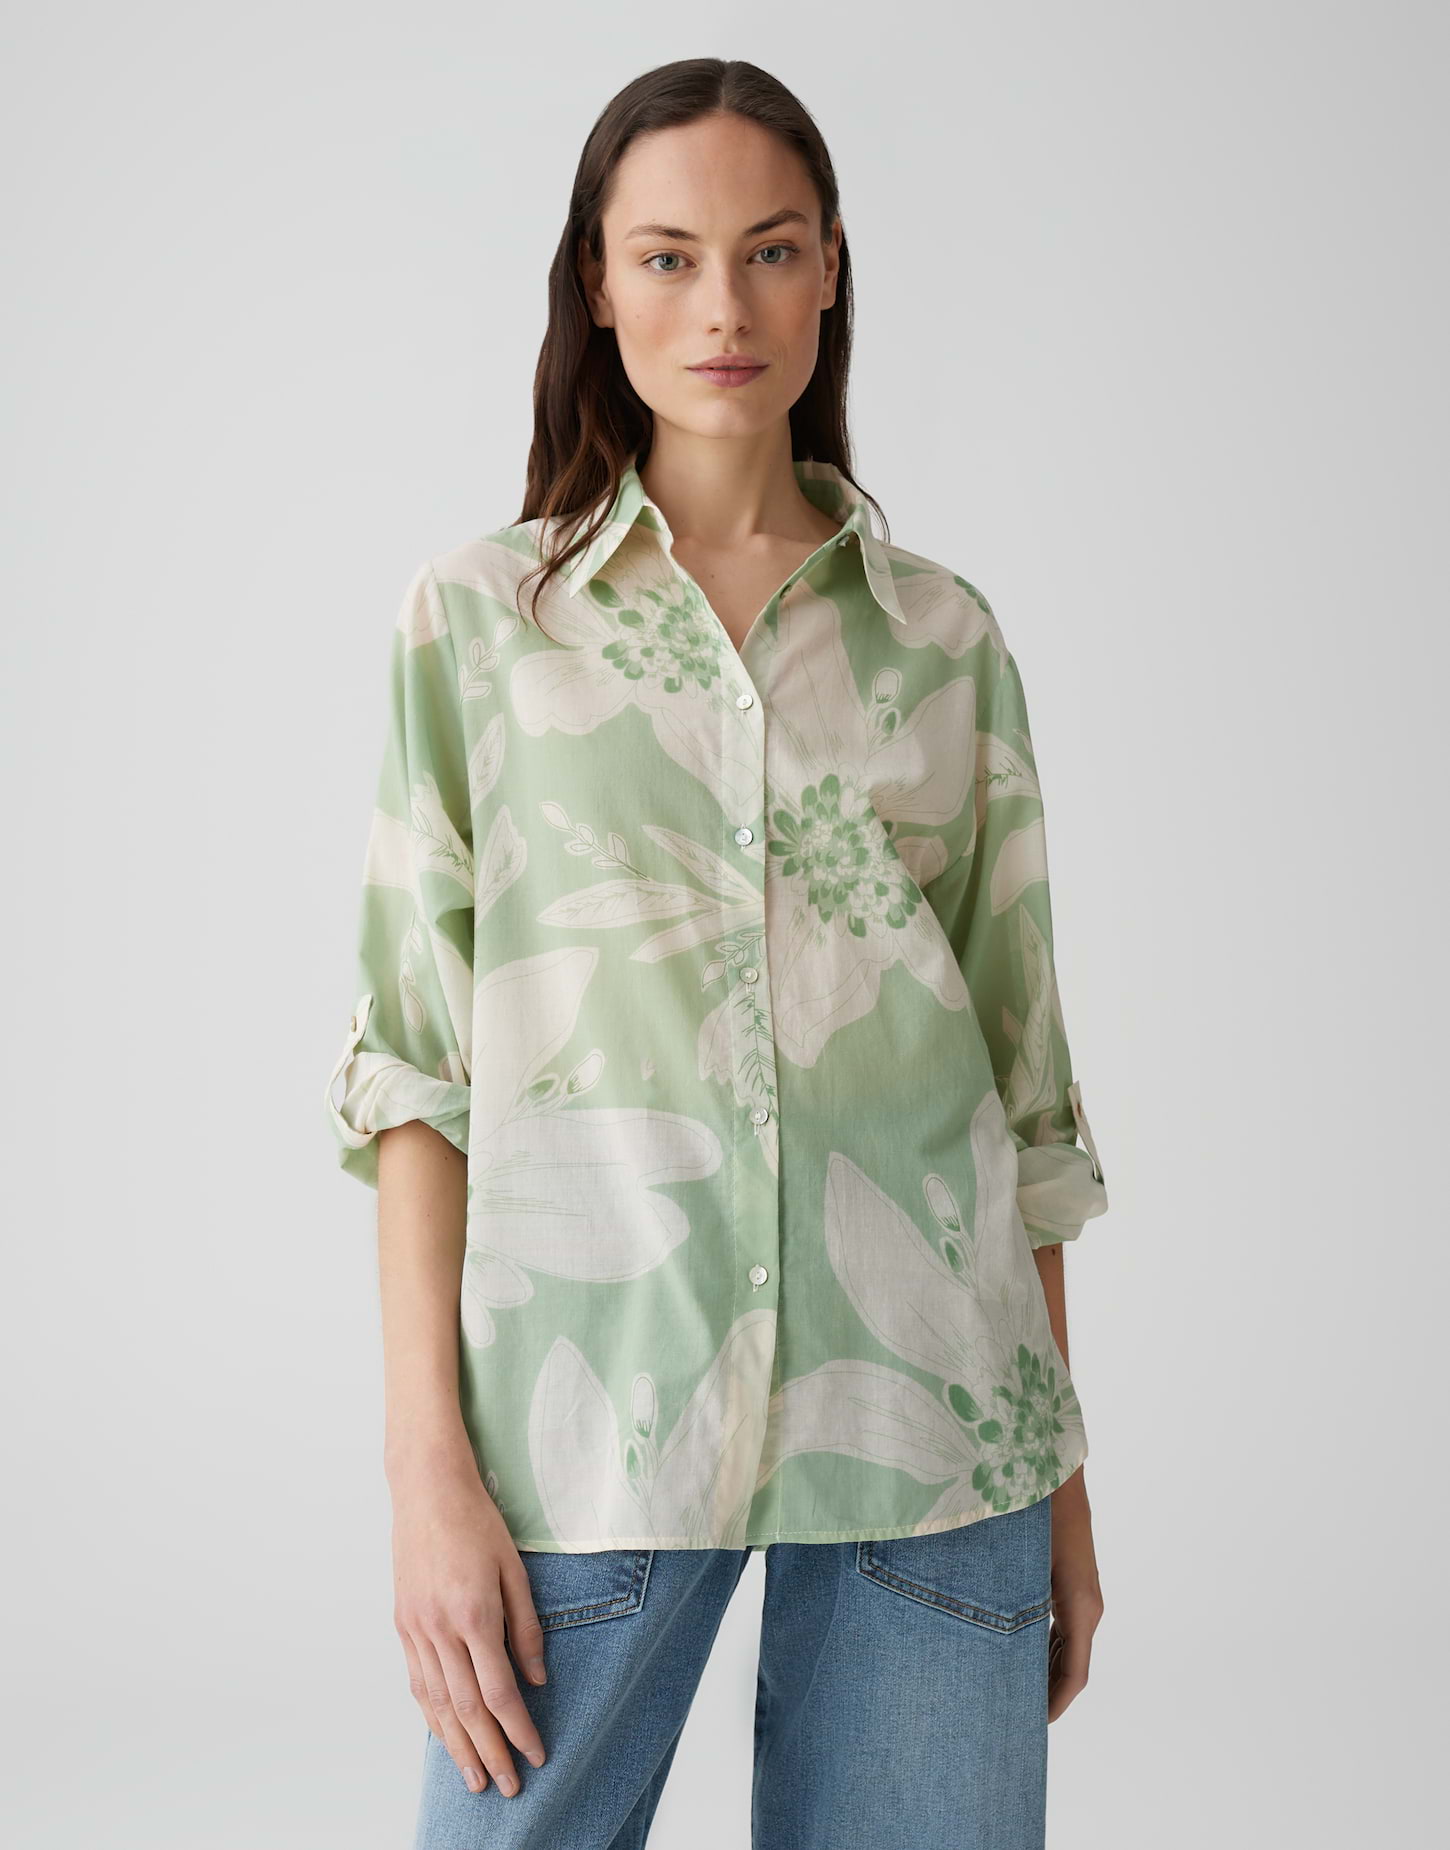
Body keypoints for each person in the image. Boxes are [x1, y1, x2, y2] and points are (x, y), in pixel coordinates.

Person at [323, 56, 1110, 1850]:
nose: (724, 307)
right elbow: (414, 1072)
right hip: (586, 1424)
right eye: (667, 257)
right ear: (596, 286)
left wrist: (1061, 1476)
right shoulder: (482, 624)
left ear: (829, 271)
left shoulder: (942, 639)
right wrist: (425, 1473)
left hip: (943, 1431)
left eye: (768, 251)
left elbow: (1021, 1093)